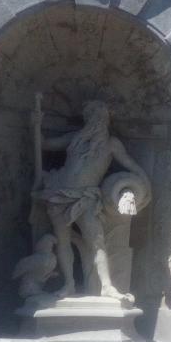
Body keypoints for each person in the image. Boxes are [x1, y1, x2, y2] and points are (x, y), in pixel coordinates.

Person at [35, 100, 148, 301]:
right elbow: (45, 144)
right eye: (91, 116)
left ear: (105, 119)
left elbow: (131, 165)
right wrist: (35, 125)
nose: (95, 120)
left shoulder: (111, 144)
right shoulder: (74, 138)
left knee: (96, 240)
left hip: (86, 198)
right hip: (59, 194)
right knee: (63, 240)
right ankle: (69, 284)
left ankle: (107, 286)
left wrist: (142, 184)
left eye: (99, 116)